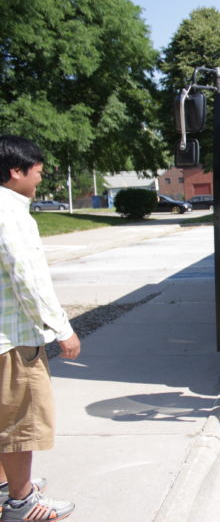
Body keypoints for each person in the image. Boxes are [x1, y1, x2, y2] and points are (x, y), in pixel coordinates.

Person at [1, 135, 80, 521]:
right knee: (21, 425)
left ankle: (7, 488)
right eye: (37, 172)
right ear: (16, 172)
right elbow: (27, 280)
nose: (39, 180)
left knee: (4, 422)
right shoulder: (12, 213)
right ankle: (21, 502)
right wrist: (62, 328)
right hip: (13, 339)